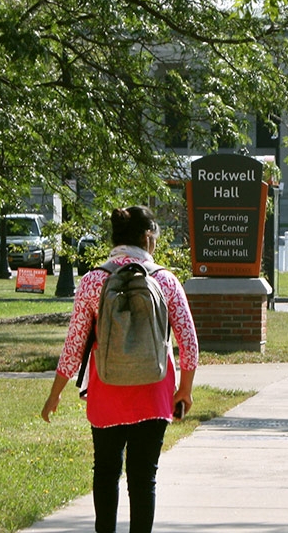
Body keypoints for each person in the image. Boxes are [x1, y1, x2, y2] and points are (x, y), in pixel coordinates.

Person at [41, 206, 198, 533]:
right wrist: (184, 389)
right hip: (154, 393)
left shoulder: (93, 281)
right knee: (144, 478)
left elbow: (74, 345)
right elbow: (190, 342)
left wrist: (54, 395)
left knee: (106, 471)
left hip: (106, 391)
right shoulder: (165, 280)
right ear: (147, 237)